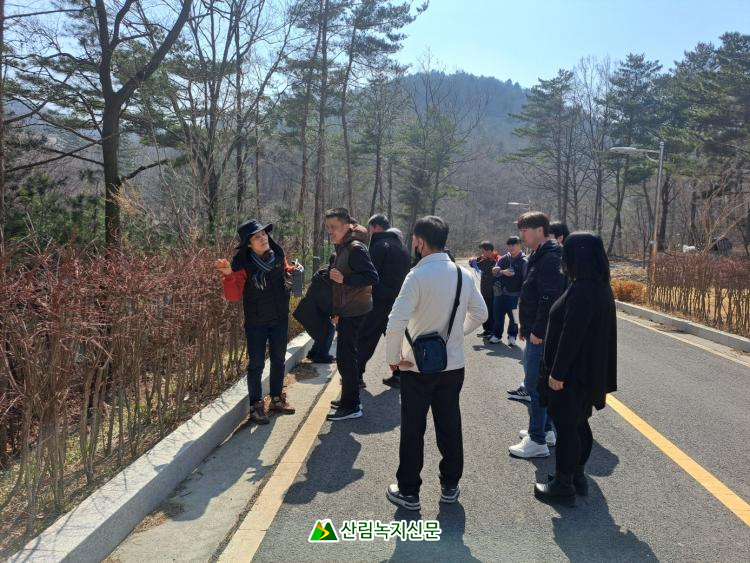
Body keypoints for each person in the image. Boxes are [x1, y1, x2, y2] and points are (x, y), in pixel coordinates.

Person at [384, 216, 488, 511]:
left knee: (413, 427)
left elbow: (395, 322)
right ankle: (450, 485)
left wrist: (393, 359)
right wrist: (455, 336)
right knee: (449, 423)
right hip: (453, 365)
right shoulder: (463, 275)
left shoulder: (416, 276)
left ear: (419, 241)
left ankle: (409, 492)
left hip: (416, 366)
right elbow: (481, 314)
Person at [534, 232, 617, 504]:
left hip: (571, 374)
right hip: (585, 373)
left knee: (567, 427)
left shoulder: (583, 290)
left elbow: (572, 335)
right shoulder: (597, 286)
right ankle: (576, 476)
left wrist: (557, 373)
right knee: (579, 423)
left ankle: (563, 485)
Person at [216, 219, 296, 424]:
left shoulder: (278, 255)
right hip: (256, 322)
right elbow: (233, 295)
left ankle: (276, 398)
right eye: (256, 237)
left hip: (279, 318)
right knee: (257, 364)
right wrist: (228, 275)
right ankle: (256, 406)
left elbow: (285, 270)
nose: (263, 238)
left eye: (263, 234)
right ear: (249, 244)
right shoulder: (242, 265)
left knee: (279, 359)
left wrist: (291, 271)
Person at [509, 211, 564, 458]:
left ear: (540, 230)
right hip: (537, 331)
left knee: (534, 385)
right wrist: (525, 327)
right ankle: (546, 430)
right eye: (520, 230)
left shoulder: (550, 257)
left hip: (542, 334)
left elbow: (549, 296)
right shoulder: (541, 254)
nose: (522, 235)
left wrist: (538, 330)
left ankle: (537, 439)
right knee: (539, 384)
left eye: (525, 230)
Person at [325, 208, 379, 421]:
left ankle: (352, 405)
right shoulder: (343, 245)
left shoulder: (355, 248)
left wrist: (344, 279)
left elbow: (372, 277)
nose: (330, 231)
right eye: (328, 227)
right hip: (348, 309)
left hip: (355, 310)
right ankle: (349, 399)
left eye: (334, 227)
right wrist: (336, 310)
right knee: (346, 357)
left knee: (346, 359)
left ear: (346, 226)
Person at [357, 214, 411, 390]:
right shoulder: (402, 246)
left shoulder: (379, 246)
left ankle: (356, 375)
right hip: (398, 302)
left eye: (370, 228)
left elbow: (370, 275)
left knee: (366, 337)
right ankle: (400, 375)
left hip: (378, 301)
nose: (369, 232)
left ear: (376, 227)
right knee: (396, 339)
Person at [488, 236, 527, 346]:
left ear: (519, 245)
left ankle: (512, 336)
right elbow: (495, 273)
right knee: (497, 316)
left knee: (515, 318)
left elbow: (526, 280)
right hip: (499, 294)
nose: (511, 247)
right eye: (509, 245)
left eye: (513, 244)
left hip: (515, 295)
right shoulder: (503, 258)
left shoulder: (524, 261)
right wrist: (502, 272)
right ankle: (496, 335)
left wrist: (522, 297)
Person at [469, 242, 499, 338]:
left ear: (489, 251)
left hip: (494, 291)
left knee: (493, 311)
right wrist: (472, 260)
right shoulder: (483, 258)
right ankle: (487, 330)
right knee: (485, 309)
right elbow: (472, 263)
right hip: (485, 289)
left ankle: (493, 331)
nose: (482, 253)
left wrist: (474, 263)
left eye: (483, 251)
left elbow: (478, 265)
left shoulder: (497, 260)